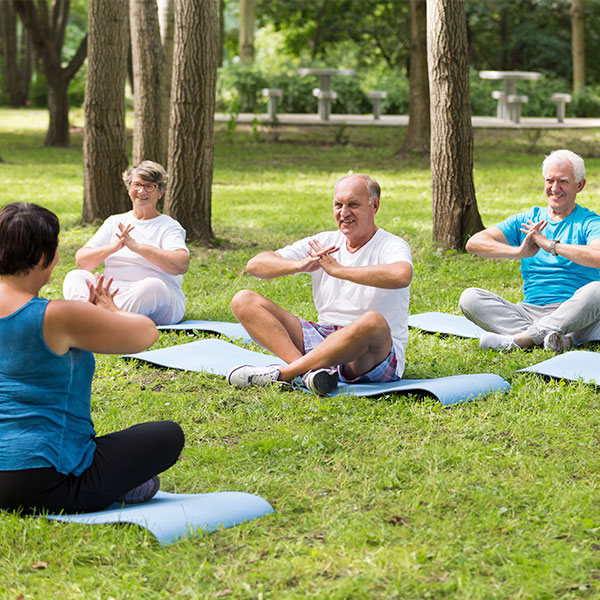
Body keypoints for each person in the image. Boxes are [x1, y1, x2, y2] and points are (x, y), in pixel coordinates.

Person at [0, 203, 184, 515]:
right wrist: (109, 310)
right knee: (168, 435)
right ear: (46, 256)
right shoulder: (59, 314)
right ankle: (117, 485)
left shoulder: (61, 315)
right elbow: (145, 334)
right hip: (46, 480)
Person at [226, 174, 413, 396]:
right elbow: (256, 265)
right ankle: (309, 375)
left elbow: (402, 274)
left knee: (373, 322)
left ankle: (284, 374)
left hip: (372, 354)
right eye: (338, 205)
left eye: (353, 205)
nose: (344, 213)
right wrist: (300, 265)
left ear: (374, 206)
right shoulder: (324, 242)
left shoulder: (391, 244)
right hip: (323, 337)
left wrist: (339, 271)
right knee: (243, 300)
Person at [459, 149, 600, 352]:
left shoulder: (590, 222)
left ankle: (520, 341)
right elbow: (475, 243)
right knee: (470, 298)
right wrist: (519, 253)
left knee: (597, 290)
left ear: (580, 185)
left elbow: (597, 256)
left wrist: (551, 245)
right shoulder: (528, 220)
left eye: (563, 181)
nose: (555, 188)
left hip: (577, 314)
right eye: (549, 180)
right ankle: (556, 339)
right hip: (529, 311)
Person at [63, 161, 189, 325]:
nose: (141, 191)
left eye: (149, 186)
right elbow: (82, 261)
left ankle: (98, 318)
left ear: (161, 192)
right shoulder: (115, 221)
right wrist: (113, 247)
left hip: (158, 298)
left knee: (152, 286)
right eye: (137, 184)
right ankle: (101, 316)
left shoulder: (168, 226)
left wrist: (137, 247)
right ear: (129, 188)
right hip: (112, 294)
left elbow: (181, 264)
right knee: (75, 276)